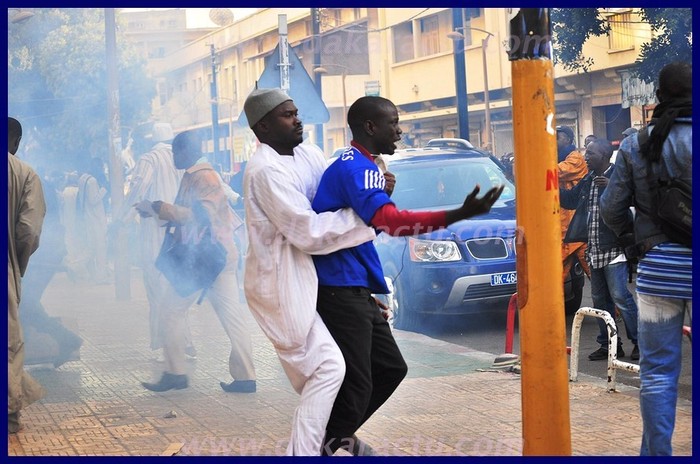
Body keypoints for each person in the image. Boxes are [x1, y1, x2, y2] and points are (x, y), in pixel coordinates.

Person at [313, 96, 504, 456]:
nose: (400, 130)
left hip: (354, 287)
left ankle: (334, 437)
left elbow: (368, 228)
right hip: (338, 289)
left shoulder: (364, 165)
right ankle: (326, 444)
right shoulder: (358, 168)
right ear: (370, 127)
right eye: (393, 122)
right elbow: (393, 223)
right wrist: (459, 212)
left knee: (390, 368)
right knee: (356, 382)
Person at [242, 88, 377, 456]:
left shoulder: (310, 154)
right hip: (279, 286)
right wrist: (368, 217)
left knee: (339, 372)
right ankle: (316, 446)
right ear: (264, 127)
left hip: (311, 278)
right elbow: (309, 231)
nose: (298, 119)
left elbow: (332, 201)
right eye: (288, 115)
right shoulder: (264, 170)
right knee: (328, 369)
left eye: (297, 111)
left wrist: (370, 192)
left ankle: (333, 438)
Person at [600, 61, 692, 456]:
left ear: (659, 96)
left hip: (657, 272)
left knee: (657, 375)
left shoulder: (637, 144)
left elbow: (611, 208)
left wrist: (632, 242)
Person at [137, 130, 256, 393]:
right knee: (232, 316)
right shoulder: (196, 175)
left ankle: (175, 372)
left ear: (186, 151)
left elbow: (199, 216)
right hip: (216, 256)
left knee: (170, 311)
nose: (174, 157)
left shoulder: (203, 176)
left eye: (176, 153)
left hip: (205, 258)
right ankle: (245, 377)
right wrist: (156, 211)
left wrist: (159, 207)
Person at [117, 122, 196, 363]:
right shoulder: (182, 159)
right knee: (176, 287)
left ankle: (167, 344)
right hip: (179, 229)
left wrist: (121, 220)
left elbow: (137, 191)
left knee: (157, 287)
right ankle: (185, 344)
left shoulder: (149, 159)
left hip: (154, 229)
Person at [559, 138, 639, 361]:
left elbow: (631, 204)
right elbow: (571, 201)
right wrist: (551, 182)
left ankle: (639, 342)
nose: (586, 157)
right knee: (600, 302)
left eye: (591, 153)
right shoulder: (588, 179)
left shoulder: (617, 177)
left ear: (604, 156)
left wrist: (611, 188)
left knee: (620, 297)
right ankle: (609, 345)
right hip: (594, 250)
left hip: (614, 250)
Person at [20, 169, 83, 368]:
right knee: (24, 302)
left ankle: (65, 338)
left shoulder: (29, 184)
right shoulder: (31, 181)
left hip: (43, 252)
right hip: (43, 251)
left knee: (25, 303)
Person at [8, 117, 47, 434]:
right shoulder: (24, 172)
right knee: (9, 345)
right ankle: (8, 414)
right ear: (16, 141)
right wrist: (16, 266)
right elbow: (28, 232)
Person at [557, 125, 591, 283]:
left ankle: (613, 308)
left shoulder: (575, 158)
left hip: (577, 228)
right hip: (564, 230)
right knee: (555, 281)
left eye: (559, 137)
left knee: (596, 276)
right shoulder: (559, 157)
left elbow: (556, 171)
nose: (555, 140)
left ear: (569, 139)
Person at [75, 166, 110, 283]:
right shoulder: (92, 181)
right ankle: (101, 276)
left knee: (91, 248)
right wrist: (105, 189)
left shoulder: (82, 179)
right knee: (100, 248)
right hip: (96, 220)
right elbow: (93, 200)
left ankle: (74, 266)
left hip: (88, 218)